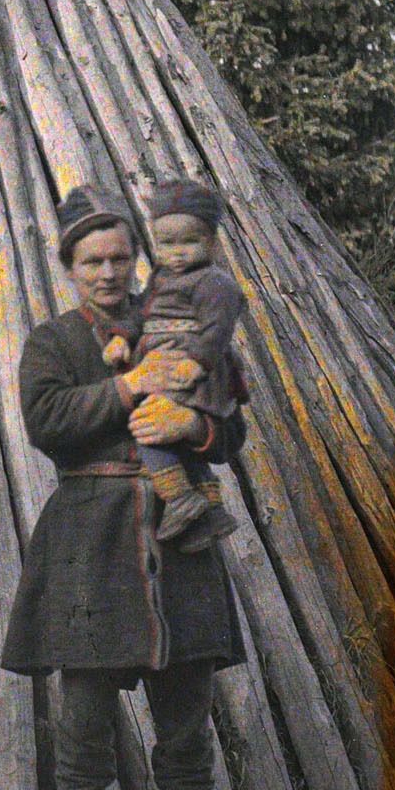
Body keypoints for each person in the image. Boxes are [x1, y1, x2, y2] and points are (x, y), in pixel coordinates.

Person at [0, 185, 249, 790]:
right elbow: (46, 420)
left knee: (186, 696)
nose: (107, 274)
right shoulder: (54, 341)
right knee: (81, 699)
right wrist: (130, 386)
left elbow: (230, 428)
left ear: (138, 259)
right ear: (69, 269)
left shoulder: (181, 320)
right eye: (90, 263)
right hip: (89, 530)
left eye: (117, 258)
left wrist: (190, 431)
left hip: (180, 530)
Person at [99, 180, 247, 553]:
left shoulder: (215, 283)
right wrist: (122, 338)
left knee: (147, 424)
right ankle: (209, 505)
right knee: (173, 434)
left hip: (188, 366)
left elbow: (218, 329)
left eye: (189, 242)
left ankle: (180, 497)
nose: (177, 253)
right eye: (167, 244)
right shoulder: (160, 279)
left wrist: (196, 362)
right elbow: (140, 315)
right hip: (161, 360)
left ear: (211, 242)